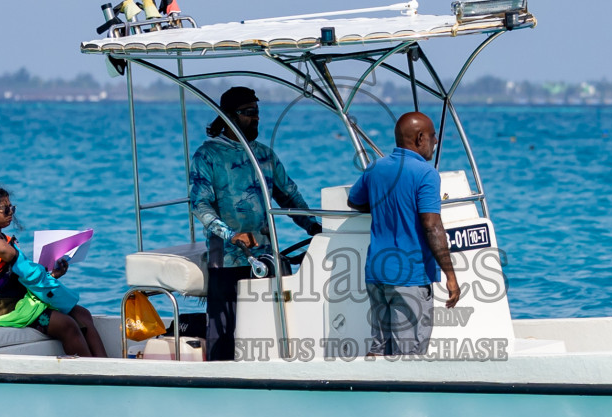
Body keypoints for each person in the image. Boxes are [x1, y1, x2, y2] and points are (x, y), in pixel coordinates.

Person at [188, 87, 321, 361]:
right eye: (248, 113)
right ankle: (219, 384)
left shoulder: (265, 155)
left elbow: (290, 195)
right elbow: (200, 204)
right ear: (229, 116)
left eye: (257, 113)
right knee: (224, 333)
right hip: (226, 259)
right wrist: (231, 234)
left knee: (269, 328)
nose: (256, 119)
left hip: (265, 258)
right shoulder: (207, 155)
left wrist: (313, 227)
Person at [346, 112, 462, 357]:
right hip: (409, 276)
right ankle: (406, 396)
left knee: (378, 348)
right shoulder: (426, 173)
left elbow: (354, 201)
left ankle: (374, 393)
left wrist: (382, 204)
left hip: (376, 273)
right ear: (420, 138)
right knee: (409, 354)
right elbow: (432, 226)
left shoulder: (376, 168)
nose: (436, 141)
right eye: (433, 136)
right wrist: (450, 276)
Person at [0, 184, 105, 357]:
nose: (10, 212)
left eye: (11, 207)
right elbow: (3, 252)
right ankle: (89, 375)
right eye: (5, 209)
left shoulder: (3, 237)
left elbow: (16, 272)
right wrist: (18, 257)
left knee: (82, 314)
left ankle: (108, 367)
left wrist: (51, 275)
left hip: (16, 301)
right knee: (66, 324)